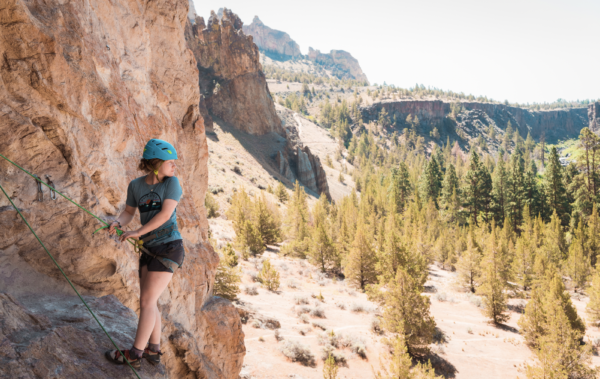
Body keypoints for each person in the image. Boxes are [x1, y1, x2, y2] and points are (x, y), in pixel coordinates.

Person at [105, 139, 185, 369]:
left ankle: (134, 354)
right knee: (151, 301)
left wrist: (137, 232)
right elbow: (129, 212)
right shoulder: (136, 185)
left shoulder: (172, 183)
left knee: (147, 301)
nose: (174, 166)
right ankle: (153, 349)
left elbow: (165, 214)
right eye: (170, 162)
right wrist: (118, 222)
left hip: (169, 246)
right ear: (155, 163)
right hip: (148, 248)